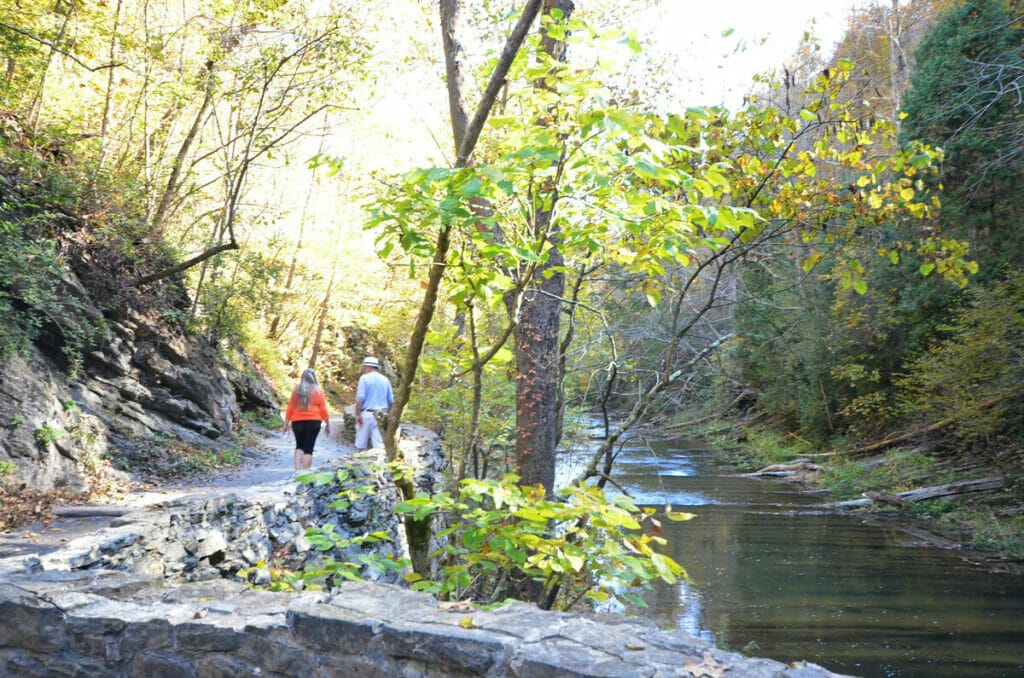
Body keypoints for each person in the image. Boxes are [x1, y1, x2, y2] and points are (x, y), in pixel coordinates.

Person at [281, 368, 331, 471]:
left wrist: (286, 423)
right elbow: (323, 408)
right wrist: (327, 423)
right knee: (308, 448)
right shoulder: (318, 391)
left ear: (302, 377)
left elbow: (290, 407)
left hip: (297, 422)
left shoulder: (296, 390)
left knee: (299, 445)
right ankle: (305, 473)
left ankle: (297, 471)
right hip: (314, 422)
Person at [354, 356, 394, 450]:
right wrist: (387, 414)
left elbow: (360, 398)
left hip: (367, 414)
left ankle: (360, 463)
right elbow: (391, 400)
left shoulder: (364, 378)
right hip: (381, 415)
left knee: (361, 445)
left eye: (364, 366)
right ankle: (378, 463)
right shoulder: (385, 380)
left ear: (368, 366)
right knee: (379, 446)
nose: (363, 369)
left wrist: (357, 414)